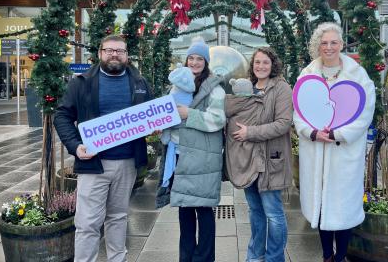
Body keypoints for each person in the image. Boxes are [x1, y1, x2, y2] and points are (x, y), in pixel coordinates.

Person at [54, 35, 153, 262]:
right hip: (93, 164)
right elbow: (62, 116)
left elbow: (151, 113)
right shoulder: (81, 83)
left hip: (127, 163)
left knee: (118, 217)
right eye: (109, 50)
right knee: (88, 223)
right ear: (100, 53)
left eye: (120, 51)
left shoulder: (140, 83)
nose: (114, 54)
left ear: (127, 55)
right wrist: (75, 146)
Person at [293, 22, 376, 262]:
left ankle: (340, 256)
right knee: (320, 202)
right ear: (317, 46)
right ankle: (326, 255)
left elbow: (365, 112)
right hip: (316, 150)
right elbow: (299, 111)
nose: (328, 47)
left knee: (343, 205)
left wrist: (337, 134)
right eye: (324, 43)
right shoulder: (307, 74)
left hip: (344, 153)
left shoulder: (357, 74)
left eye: (333, 42)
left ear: (341, 44)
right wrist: (311, 132)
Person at [156, 37, 226, 262]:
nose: (195, 62)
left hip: (202, 158)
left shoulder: (214, 88)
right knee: (184, 208)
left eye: (199, 59)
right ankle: (185, 257)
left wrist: (189, 114)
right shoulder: (176, 86)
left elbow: (218, 120)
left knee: (204, 209)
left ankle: (204, 258)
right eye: (191, 58)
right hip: (178, 154)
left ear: (206, 62)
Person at [229, 47, 293, 262]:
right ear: (252, 65)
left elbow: (283, 124)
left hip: (271, 161)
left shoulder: (281, 88)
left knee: (273, 214)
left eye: (265, 62)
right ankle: (255, 255)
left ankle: (275, 258)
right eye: (257, 62)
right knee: (255, 212)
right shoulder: (247, 89)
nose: (261, 66)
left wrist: (250, 132)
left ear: (273, 64)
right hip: (249, 161)